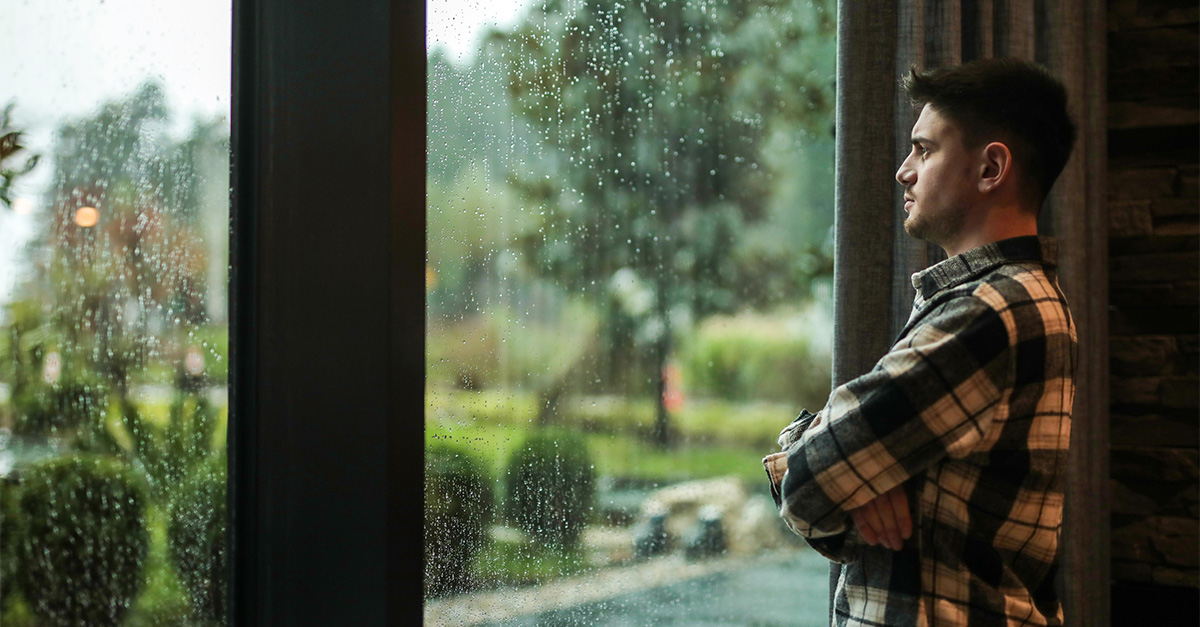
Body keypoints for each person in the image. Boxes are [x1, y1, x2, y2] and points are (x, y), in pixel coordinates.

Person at [764, 58, 1079, 626]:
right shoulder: (1013, 298)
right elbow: (830, 473)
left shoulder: (989, 314)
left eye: (925, 149)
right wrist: (853, 473)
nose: (902, 171)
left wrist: (819, 464)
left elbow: (808, 485)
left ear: (990, 168)